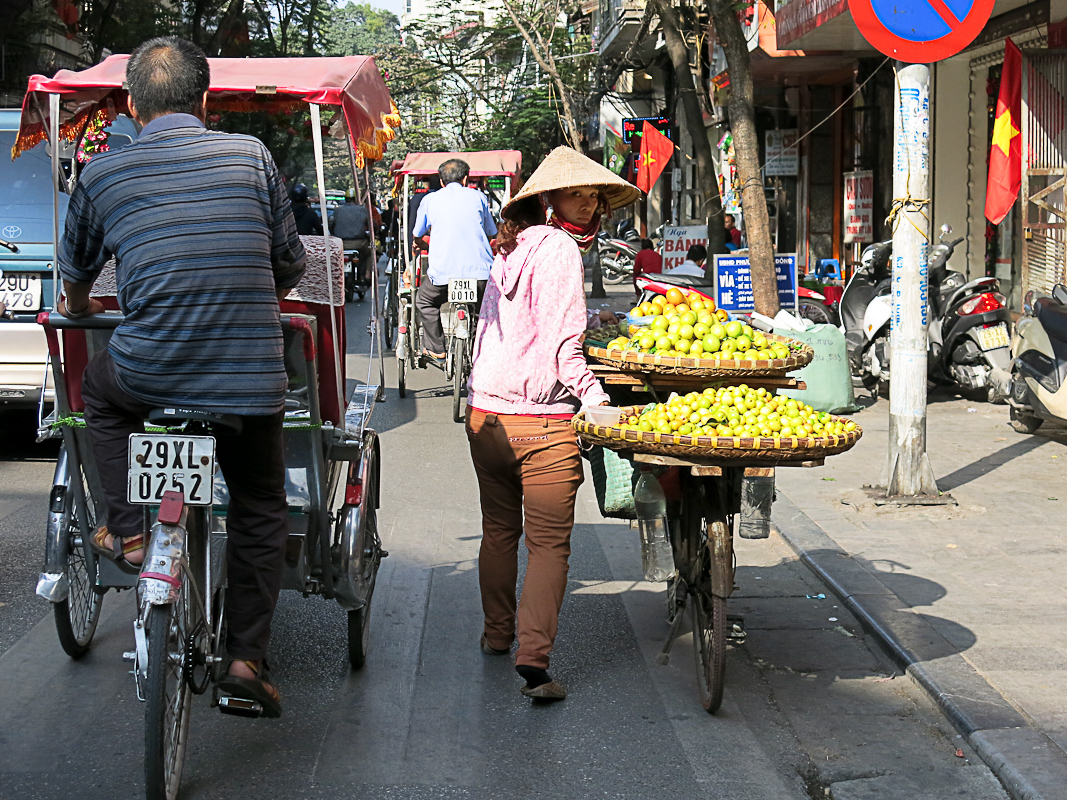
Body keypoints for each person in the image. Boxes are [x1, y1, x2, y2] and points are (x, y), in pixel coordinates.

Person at [56, 36, 305, 718]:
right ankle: (246, 658)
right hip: (249, 377)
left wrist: (83, 309)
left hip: (149, 370)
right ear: (204, 100)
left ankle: (130, 530)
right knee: (258, 506)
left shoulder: (104, 174)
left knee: (98, 399)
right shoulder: (251, 157)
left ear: (132, 105)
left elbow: (75, 281)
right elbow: (288, 263)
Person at [466, 146, 640, 701]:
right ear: (548, 199)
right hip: (539, 422)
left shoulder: (513, 246)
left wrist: (591, 317)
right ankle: (534, 660)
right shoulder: (562, 249)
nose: (589, 204)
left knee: (499, 531)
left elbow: (524, 322)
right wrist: (594, 398)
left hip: (485, 415)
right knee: (547, 546)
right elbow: (564, 349)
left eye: (593, 195)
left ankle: (498, 635)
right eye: (578, 193)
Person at [412, 158, 497, 360]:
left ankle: (436, 347)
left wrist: (423, 244)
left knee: (424, 301)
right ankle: (482, 350)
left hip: (442, 276)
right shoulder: (479, 198)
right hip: (480, 275)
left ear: (441, 181)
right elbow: (492, 232)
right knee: (483, 310)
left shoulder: (430, 200)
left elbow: (417, 233)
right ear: (465, 179)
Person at [331, 187, 372, 283]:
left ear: (345, 199)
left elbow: (331, 224)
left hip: (340, 244)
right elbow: (372, 224)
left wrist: (333, 233)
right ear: (355, 199)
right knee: (370, 253)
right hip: (359, 243)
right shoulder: (362, 210)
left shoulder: (337, 211)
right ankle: (367, 273)